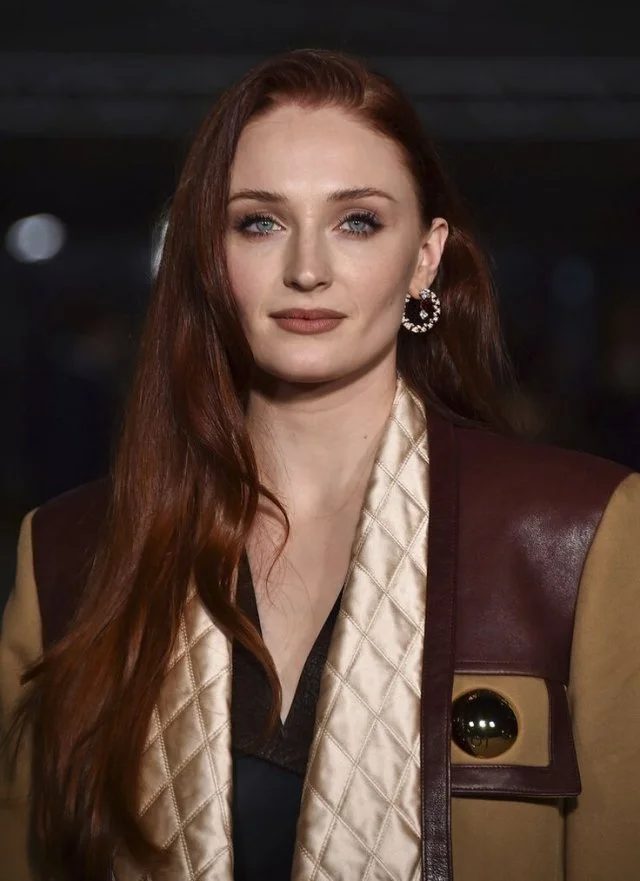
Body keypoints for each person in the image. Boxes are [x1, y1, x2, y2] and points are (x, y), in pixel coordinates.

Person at [1, 48, 639, 881]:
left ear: (425, 257)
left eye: (358, 221)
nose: (307, 269)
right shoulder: (66, 552)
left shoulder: (578, 536)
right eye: (259, 223)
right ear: (208, 255)